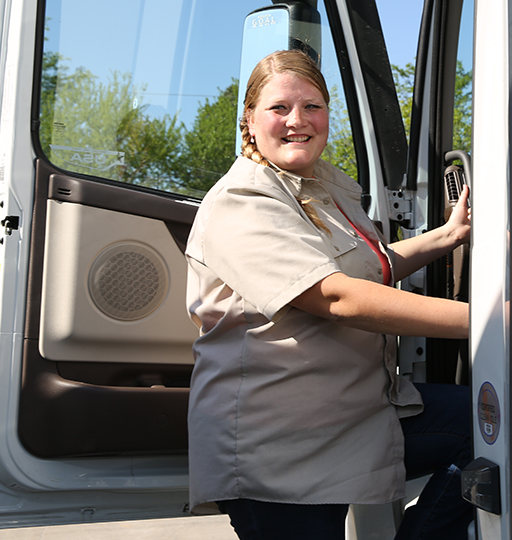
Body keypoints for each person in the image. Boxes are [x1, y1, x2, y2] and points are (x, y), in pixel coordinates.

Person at [184, 49, 474, 540]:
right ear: (249, 122)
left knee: (485, 422)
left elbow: (370, 266)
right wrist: (492, 319)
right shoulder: (243, 201)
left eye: (312, 106)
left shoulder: (323, 187)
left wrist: (447, 235)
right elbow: (337, 296)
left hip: (355, 413)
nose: (298, 120)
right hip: (280, 446)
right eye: (279, 108)